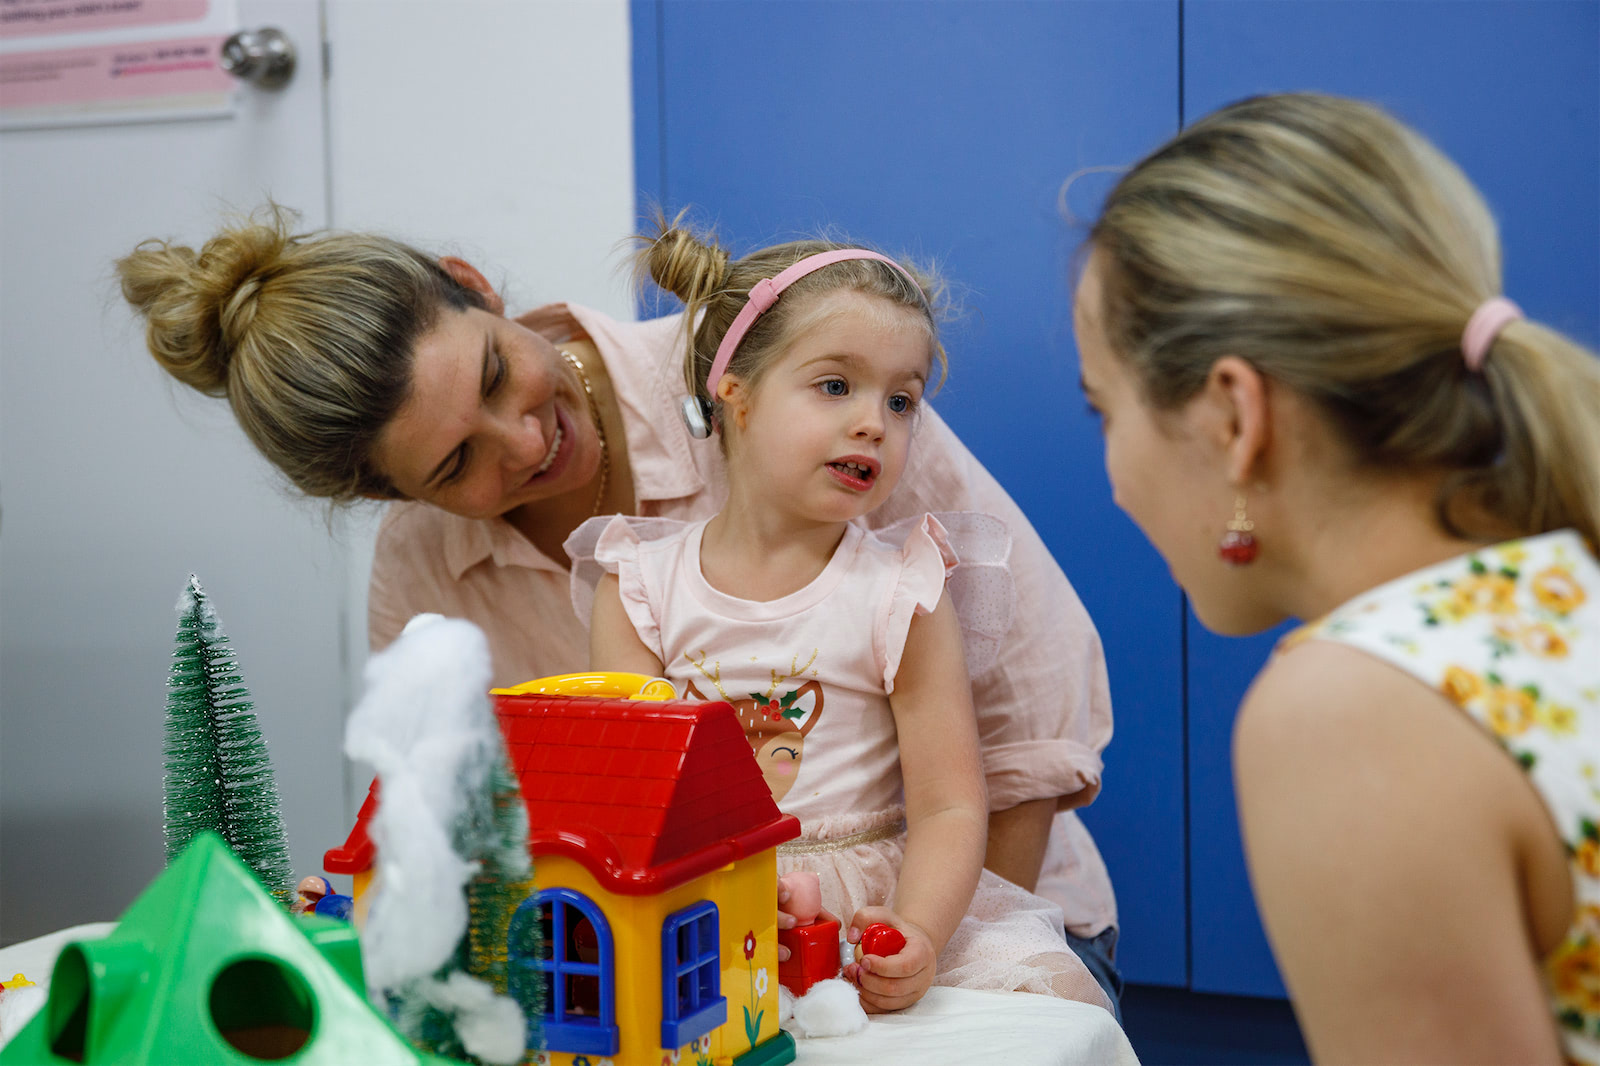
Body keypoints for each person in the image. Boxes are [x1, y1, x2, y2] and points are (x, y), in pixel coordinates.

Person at [114, 208, 1122, 1011]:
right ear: (392, 493)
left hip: (978, 928)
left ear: (476, 287)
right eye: (457, 459)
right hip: (703, 966)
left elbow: (1030, 718)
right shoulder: (426, 571)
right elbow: (492, 823)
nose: (524, 442)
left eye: (500, 374)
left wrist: (928, 963)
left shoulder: (794, 375)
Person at [1075, 90, 1600, 1063]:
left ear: (1234, 415)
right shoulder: (1563, 582)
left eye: (1105, 411)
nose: (1112, 483)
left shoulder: (1356, 710)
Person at [570, 224, 1109, 1015]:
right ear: (737, 395)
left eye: (902, 399)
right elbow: (637, 801)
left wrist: (918, 931)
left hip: (876, 906)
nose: (874, 423)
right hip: (705, 914)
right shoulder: (639, 584)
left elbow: (950, 803)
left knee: (1048, 1013)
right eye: (835, 386)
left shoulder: (903, 587)